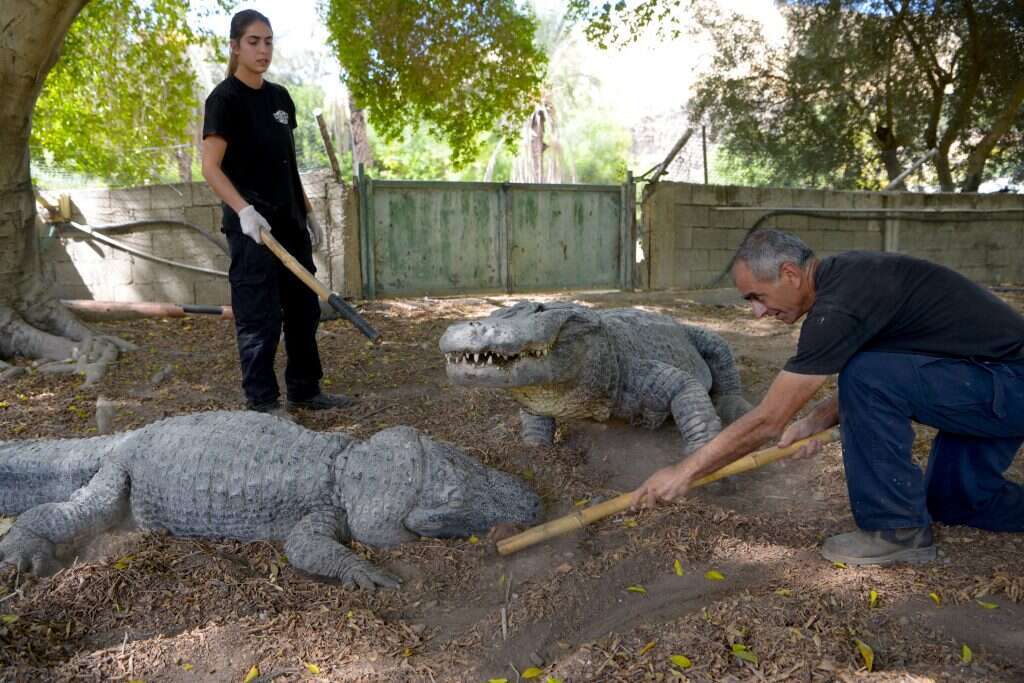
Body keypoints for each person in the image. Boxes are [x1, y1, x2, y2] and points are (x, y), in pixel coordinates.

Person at [633, 229, 1024, 565]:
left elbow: (770, 419)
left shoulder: (838, 306)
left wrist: (684, 472)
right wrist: (813, 422)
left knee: (866, 374)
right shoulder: (848, 281)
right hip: (987, 386)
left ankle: (896, 530)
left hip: (1009, 383)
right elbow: (895, 374)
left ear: (790, 274)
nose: (756, 312)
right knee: (954, 502)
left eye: (757, 296)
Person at [201, 10, 353, 418]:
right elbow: (210, 168)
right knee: (258, 316)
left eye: (268, 41)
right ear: (235, 46)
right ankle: (263, 402)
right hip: (253, 230)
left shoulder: (281, 98)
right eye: (253, 41)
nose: (263, 50)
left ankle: (305, 389)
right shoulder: (224, 100)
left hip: (288, 225)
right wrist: (245, 211)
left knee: (304, 309)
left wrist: (307, 212)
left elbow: (287, 162)